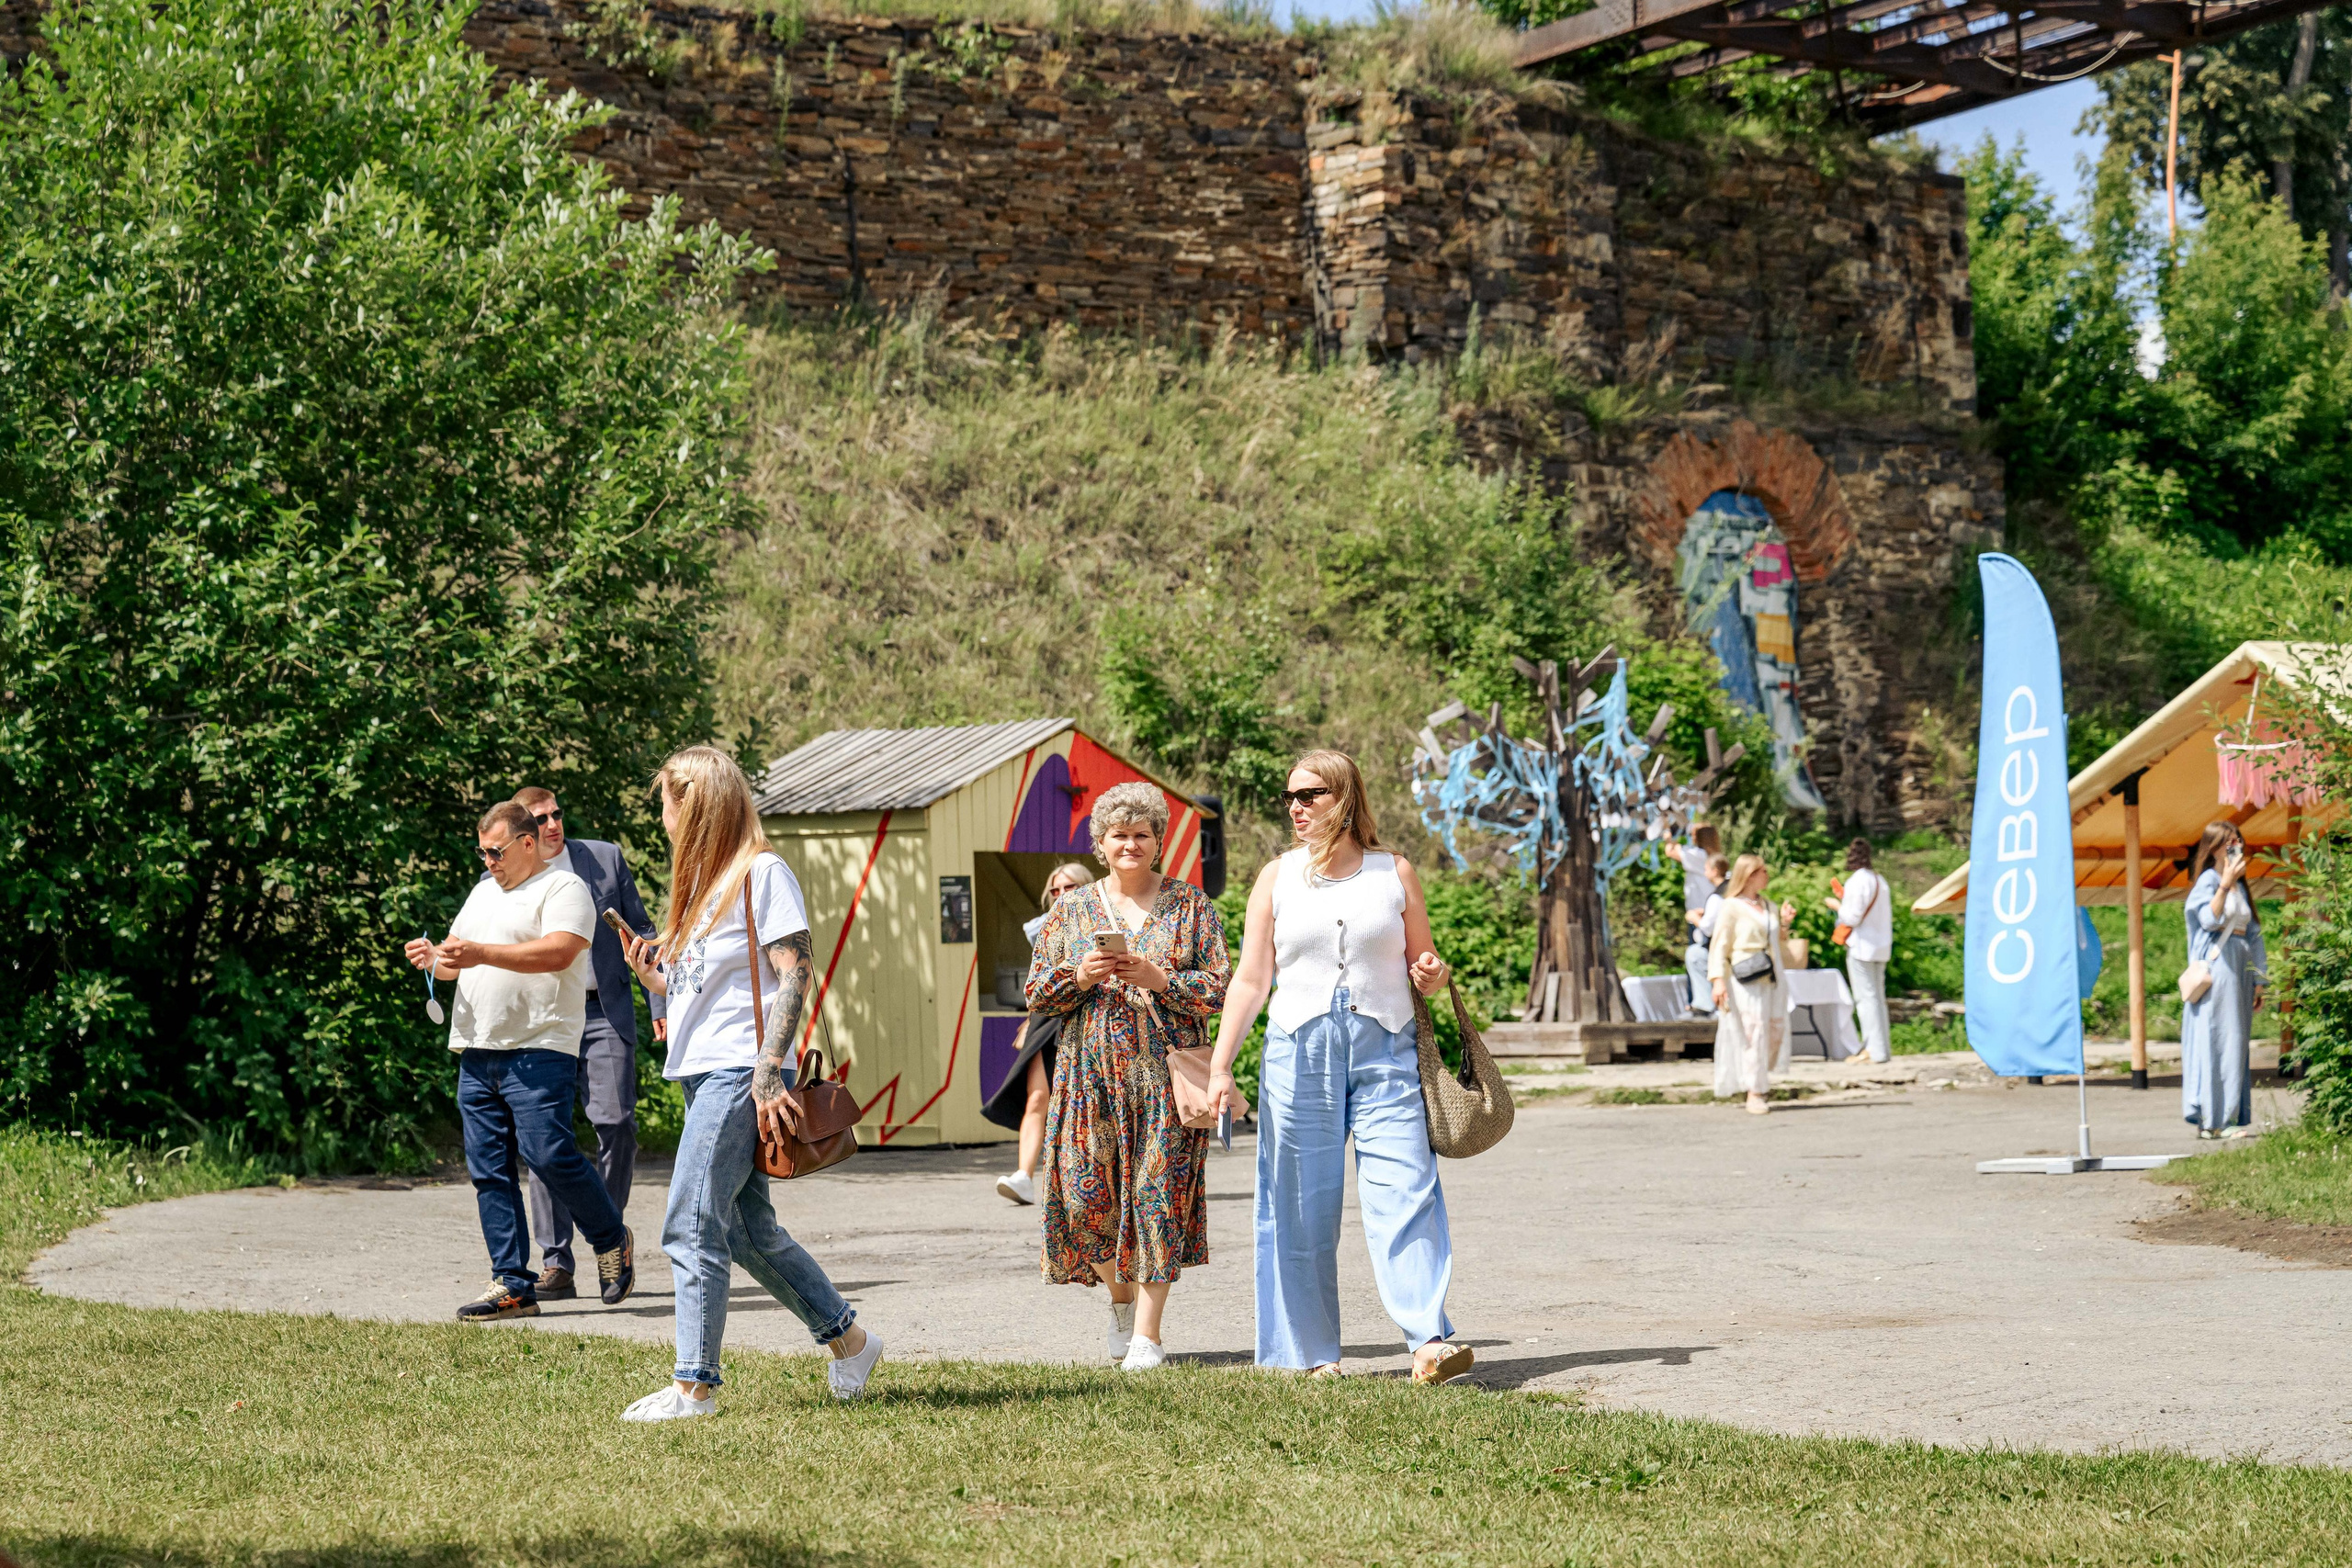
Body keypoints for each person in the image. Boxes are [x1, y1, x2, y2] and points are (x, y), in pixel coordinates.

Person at [614, 746, 884, 1420]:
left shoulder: (762, 872)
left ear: (695, 805)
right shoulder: (701, 885)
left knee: (691, 1221)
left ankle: (694, 1386)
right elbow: (706, 987)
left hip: (741, 1069)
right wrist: (655, 980)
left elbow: (795, 973)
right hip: (704, 1069)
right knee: (744, 1229)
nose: (663, 819)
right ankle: (850, 1341)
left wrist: (767, 1071)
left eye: (667, 804)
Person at [1207, 750, 1473, 1384]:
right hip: (1297, 1051)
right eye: (1289, 797)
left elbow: (1425, 962)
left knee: (1407, 1190)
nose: (1296, 807)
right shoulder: (1276, 877)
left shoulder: (1394, 871)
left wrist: (1433, 973)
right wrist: (1220, 1067)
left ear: (1345, 797)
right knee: (1299, 1204)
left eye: (1310, 795)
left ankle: (1428, 1341)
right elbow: (1251, 979)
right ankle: (1309, 1353)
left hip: (1387, 1050)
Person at [1025, 783, 1230, 1371]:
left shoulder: (1190, 906)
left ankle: (1147, 1336)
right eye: (1119, 835)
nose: (1131, 845)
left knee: (1155, 1198)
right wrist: (1081, 976)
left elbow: (1220, 987)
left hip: (1163, 1078)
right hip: (1087, 1078)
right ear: (1101, 842)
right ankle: (1121, 1302)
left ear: (1158, 840)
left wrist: (1159, 978)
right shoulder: (1070, 910)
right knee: (1082, 1197)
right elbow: (1037, 993)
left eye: (1142, 834)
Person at [404, 803, 636, 1321]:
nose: (489, 861)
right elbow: (454, 961)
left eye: (496, 851)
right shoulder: (482, 893)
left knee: (548, 1154)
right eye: (482, 852)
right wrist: (434, 959)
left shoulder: (564, 888)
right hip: (477, 1047)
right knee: (488, 1169)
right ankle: (512, 1284)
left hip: (540, 1046)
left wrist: (480, 953)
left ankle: (609, 1236)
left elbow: (559, 952)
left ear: (527, 844)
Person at [506, 785, 666, 1301]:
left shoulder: (603, 858)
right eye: (540, 819)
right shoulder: (508, 875)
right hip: (544, 1019)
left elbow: (643, 930)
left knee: (616, 1122)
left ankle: (609, 1240)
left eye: (557, 813)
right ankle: (556, 1262)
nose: (553, 824)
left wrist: (660, 1002)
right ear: (522, 832)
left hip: (602, 1012)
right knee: (542, 1136)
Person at [984, 862, 1095, 1205]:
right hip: (1046, 1020)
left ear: (1086, 887)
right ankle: (1024, 1177)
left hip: (1088, 1018)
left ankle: (1088, 1179)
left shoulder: (1104, 921)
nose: (1061, 894)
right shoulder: (1043, 927)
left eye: (1069, 887)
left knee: (1087, 1103)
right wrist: (1030, 1019)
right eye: (1055, 889)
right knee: (1036, 1098)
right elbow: (1038, 980)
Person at [2182, 821, 2268, 1140]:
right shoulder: (2209, 880)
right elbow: (2208, 919)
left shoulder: (2241, 886)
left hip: (2240, 969)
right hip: (2219, 969)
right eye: (2229, 842)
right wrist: (2224, 884)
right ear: (2214, 847)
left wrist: (2260, 979)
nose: (2236, 847)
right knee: (2219, 1038)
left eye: (2238, 842)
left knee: (2235, 1041)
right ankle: (2213, 1118)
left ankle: (2229, 1114)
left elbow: (2254, 933)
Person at [1709, 852, 1795, 1115]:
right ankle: (1754, 1091)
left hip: (1772, 974)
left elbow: (1776, 939)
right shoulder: (1731, 907)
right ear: (1749, 875)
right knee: (1754, 1030)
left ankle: (1756, 1075)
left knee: (1776, 1028)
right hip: (1746, 977)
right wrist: (1717, 981)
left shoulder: (1768, 905)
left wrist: (1785, 923)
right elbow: (1720, 945)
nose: (1767, 875)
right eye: (1763, 871)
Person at [1826, 839, 1894, 1065]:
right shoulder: (1880, 880)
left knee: (1866, 999)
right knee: (1878, 999)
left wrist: (1837, 906)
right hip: (1881, 945)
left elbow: (1852, 917)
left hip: (1862, 946)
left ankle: (1873, 1050)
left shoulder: (1857, 881)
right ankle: (1882, 1049)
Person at [1683, 852, 1729, 1018]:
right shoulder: (1731, 889)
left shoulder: (1717, 896)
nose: (1704, 873)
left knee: (1694, 954)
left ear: (1715, 871)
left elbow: (1708, 928)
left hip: (1722, 951)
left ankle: (1704, 1004)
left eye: (1706, 869)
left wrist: (1694, 918)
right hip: (1730, 947)